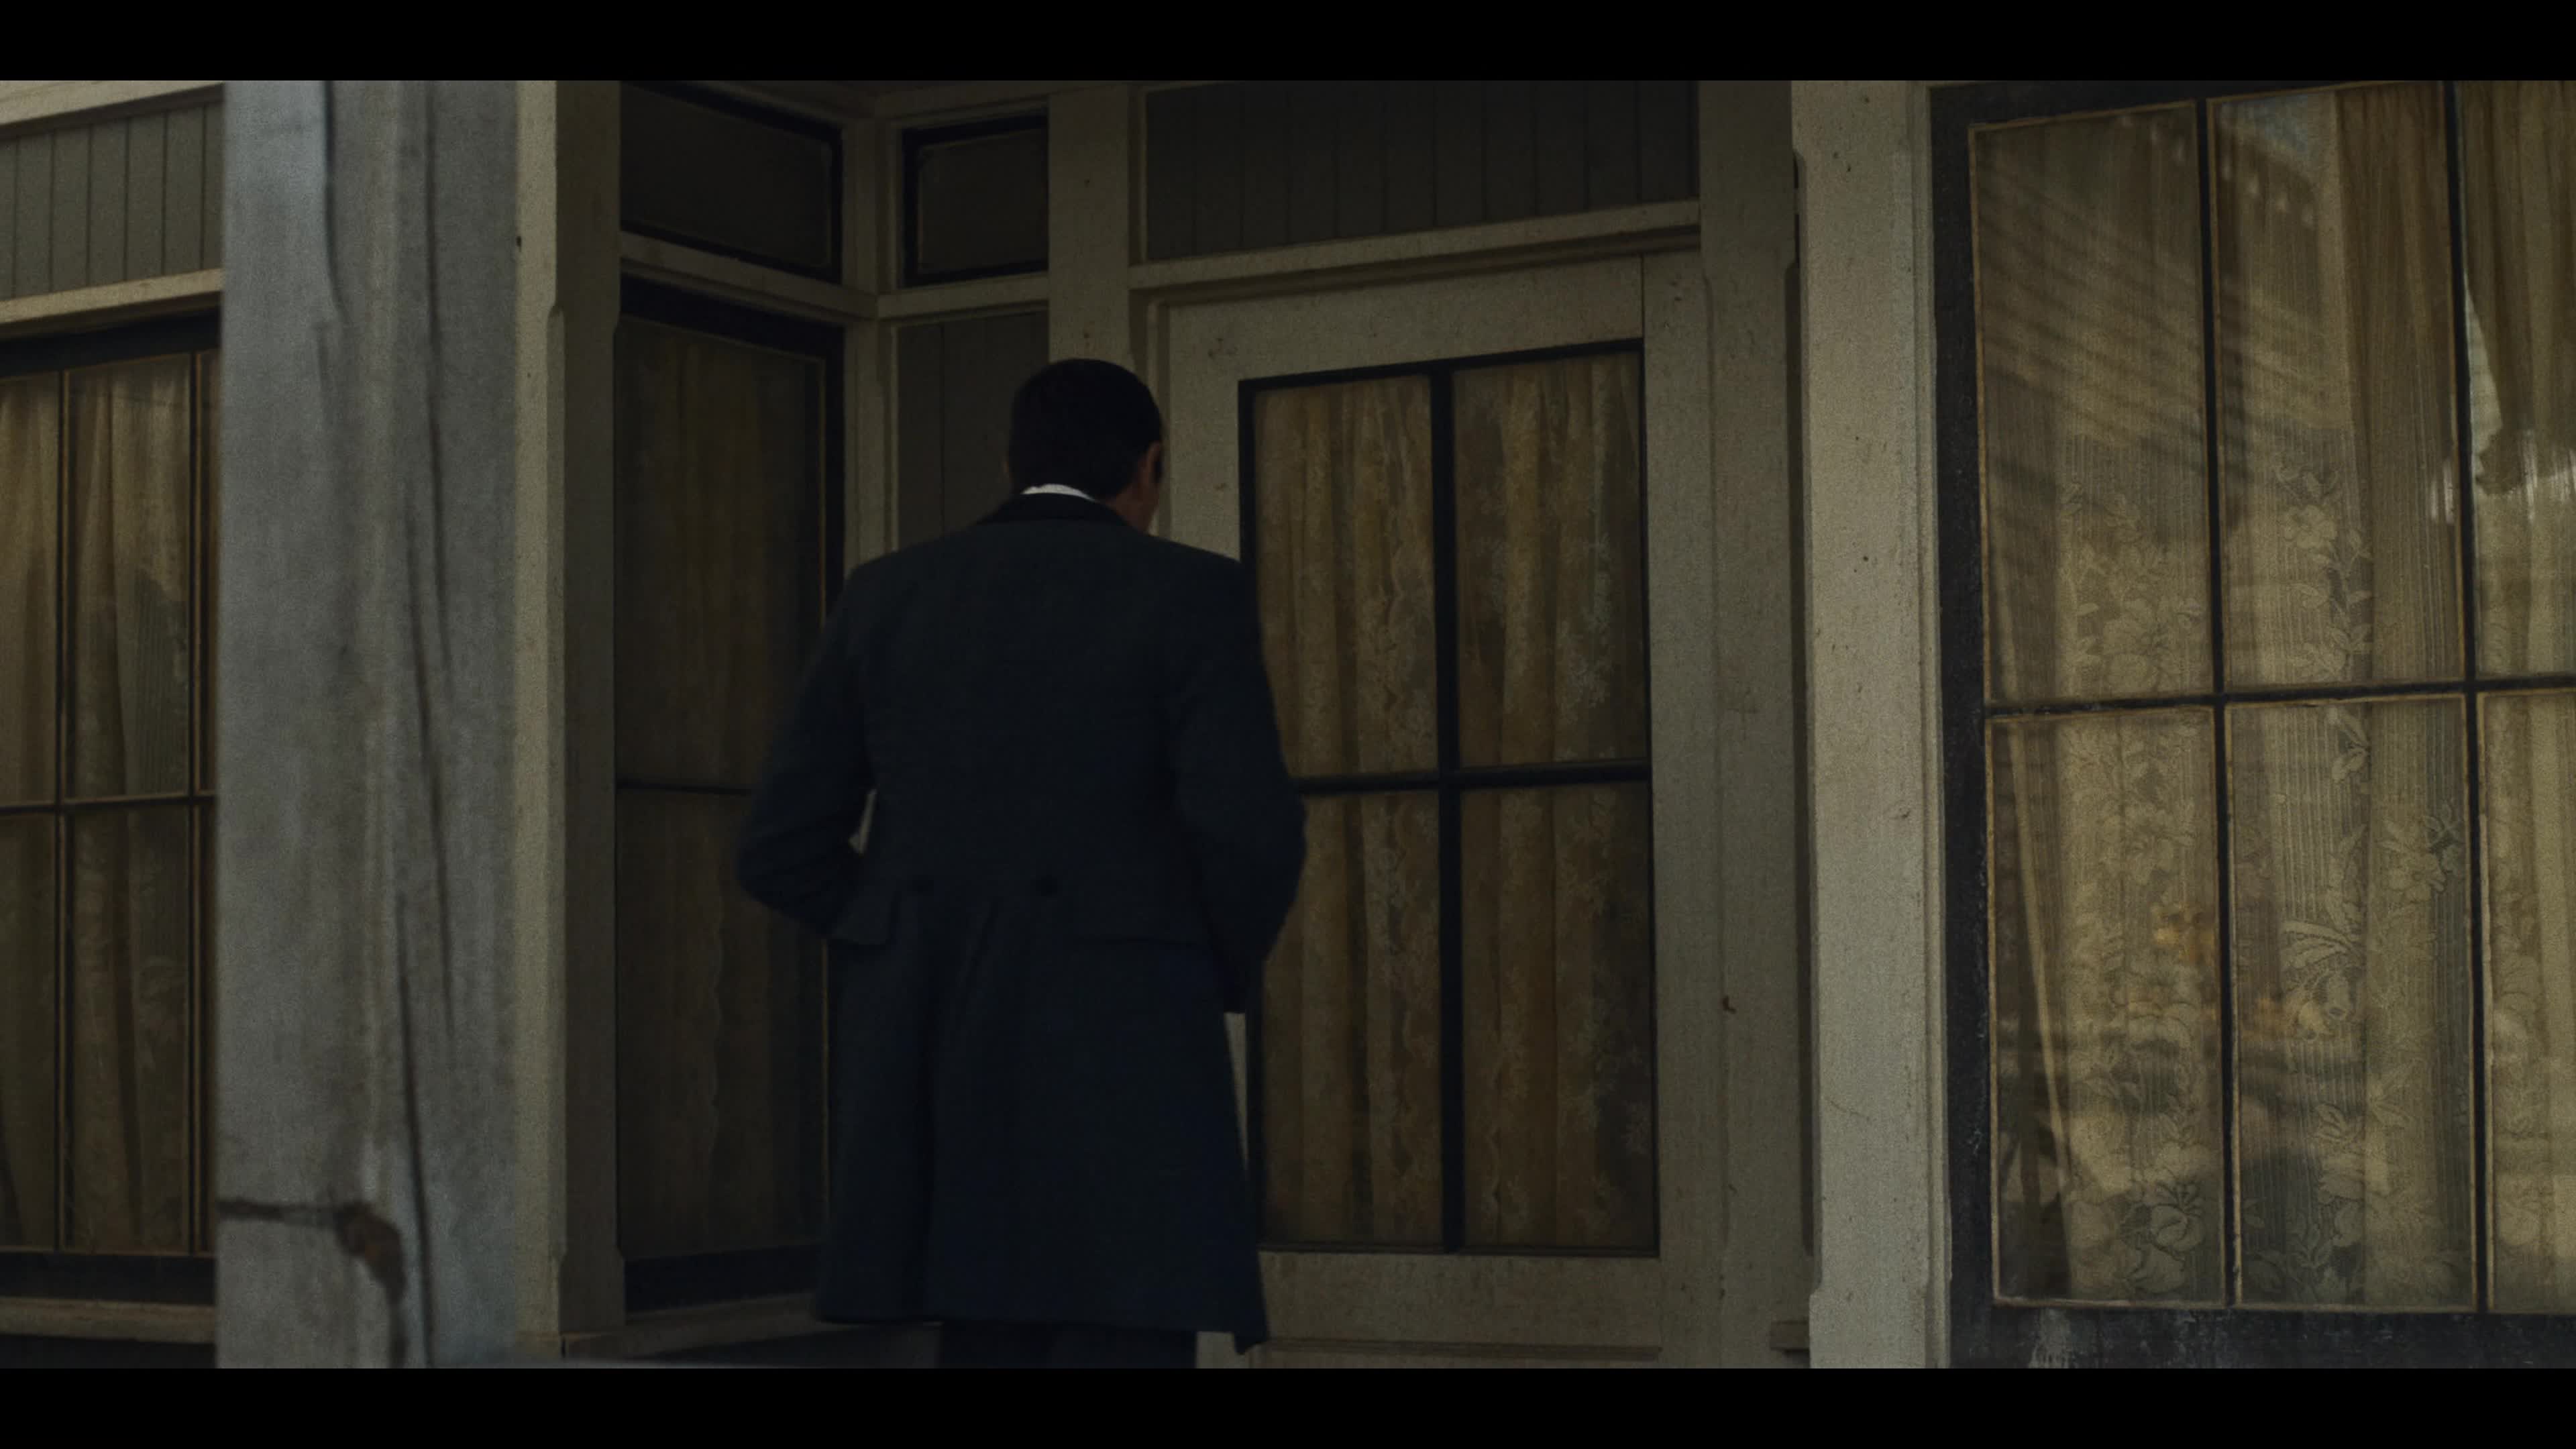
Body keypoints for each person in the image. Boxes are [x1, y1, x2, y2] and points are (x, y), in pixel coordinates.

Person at [735, 358, 1307, 1370]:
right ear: (1149, 466)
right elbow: (1249, 832)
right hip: (1128, 1034)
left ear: (1012, 463)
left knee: (982, 1317)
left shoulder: (888, 595)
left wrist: (895, 932)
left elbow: (780, 845)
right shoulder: (1191, 592)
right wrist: (1194, 961)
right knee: (1124, 1319)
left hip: (939, 1024)